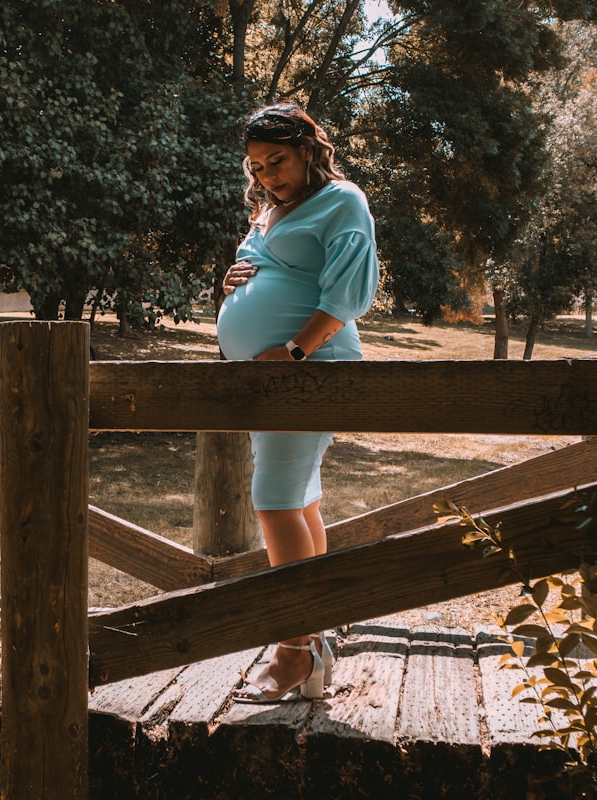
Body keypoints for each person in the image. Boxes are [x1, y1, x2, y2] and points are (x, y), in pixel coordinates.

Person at [216, 102, 379, 703]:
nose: (267, 175)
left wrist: (293, 353)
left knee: (276, 501)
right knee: (301, 499)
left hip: (305, 371)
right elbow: (282, 268)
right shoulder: (273, 209)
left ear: (310, 148)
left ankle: (293, 651)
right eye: (257, 166)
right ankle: (313, 640)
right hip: (275, 379)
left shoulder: (342, 201)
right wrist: (239, 278)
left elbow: (346, 295)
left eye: (277, 161)